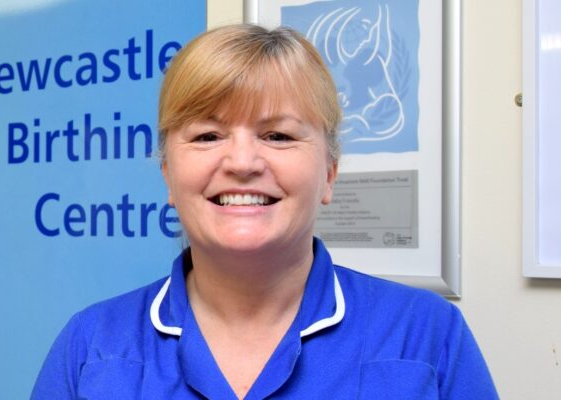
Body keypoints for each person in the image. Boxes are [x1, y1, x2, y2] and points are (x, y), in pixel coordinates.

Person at [31, 25, 496, 399]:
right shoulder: (91, 346)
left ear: (330, 172)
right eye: (208, 136)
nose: (242, 162)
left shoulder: (426, 337)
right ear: (168, 174)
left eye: (278, 136)